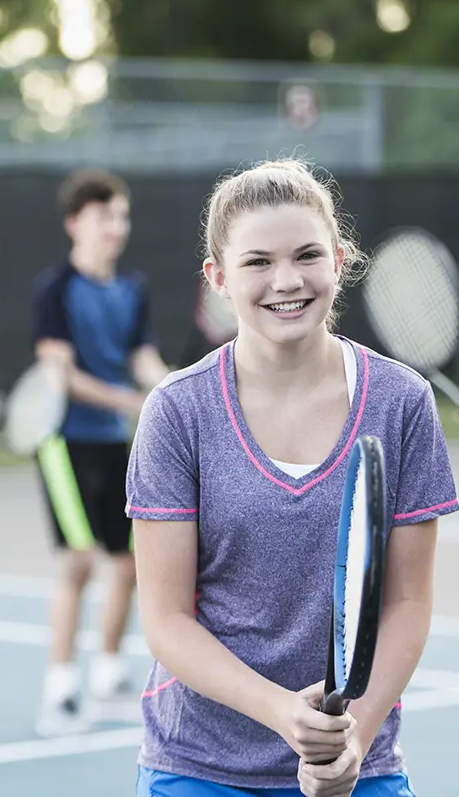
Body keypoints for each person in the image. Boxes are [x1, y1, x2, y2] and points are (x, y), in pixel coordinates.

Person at [126, 157, 456, 796]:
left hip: (361, 764)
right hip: (200, 767)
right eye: (257, 262)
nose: (286, 280)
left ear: (338, 259)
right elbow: (167, 621)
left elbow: (409, 602)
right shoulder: (177, 412)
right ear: (217, 277)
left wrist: (351, 739)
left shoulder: (402, 403)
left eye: (307, 255)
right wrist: (286, 716)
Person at [31, 169, 171, 737]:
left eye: (120, 215)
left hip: (120, 443)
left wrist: (170, 390)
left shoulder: (133, 289)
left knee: (129, 563)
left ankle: (108, 675)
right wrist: (127, 399)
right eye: (102, 216)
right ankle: (60, 690)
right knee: (79, 561)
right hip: (65, 441)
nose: (114, 226)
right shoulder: (56, 288)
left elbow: (144, 362)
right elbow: (58, 374)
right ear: (74, 223)